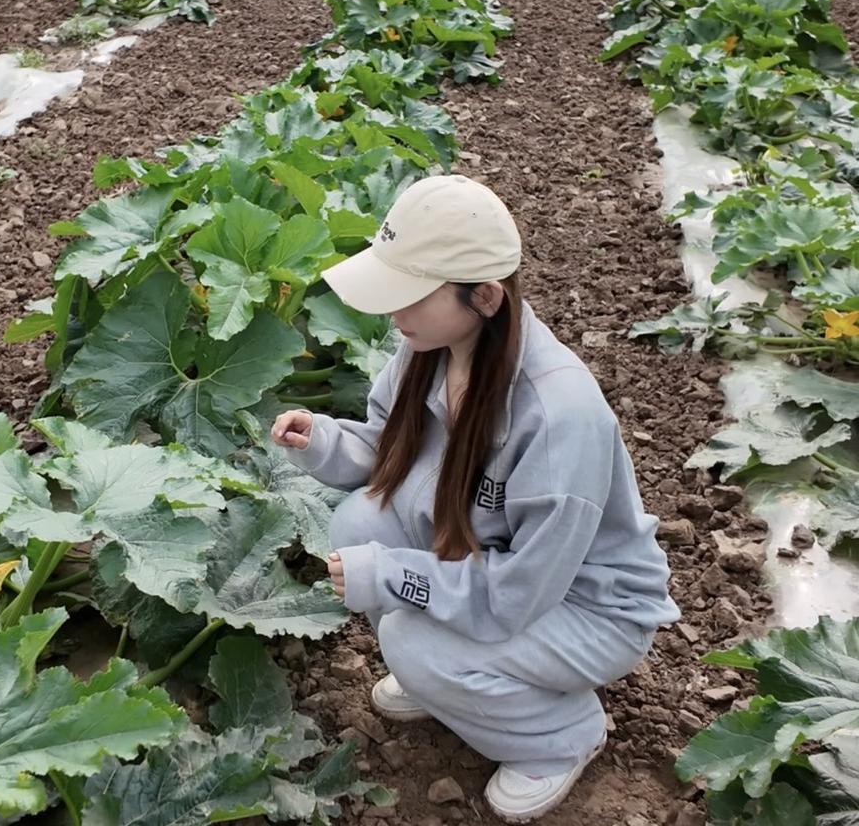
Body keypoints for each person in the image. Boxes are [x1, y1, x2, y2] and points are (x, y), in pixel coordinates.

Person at [270, 174, 680, 823]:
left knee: (409, 633)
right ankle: (455, 681)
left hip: (584, 608)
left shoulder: (558, 416)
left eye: (407, 294)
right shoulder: (429, 346)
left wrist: (399, 577)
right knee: (356, 523)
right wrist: (321, 440)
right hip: (487, 559)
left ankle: (558, 736)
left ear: (485, 296)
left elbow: (518, 593)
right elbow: (391, 448)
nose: (391, 312)